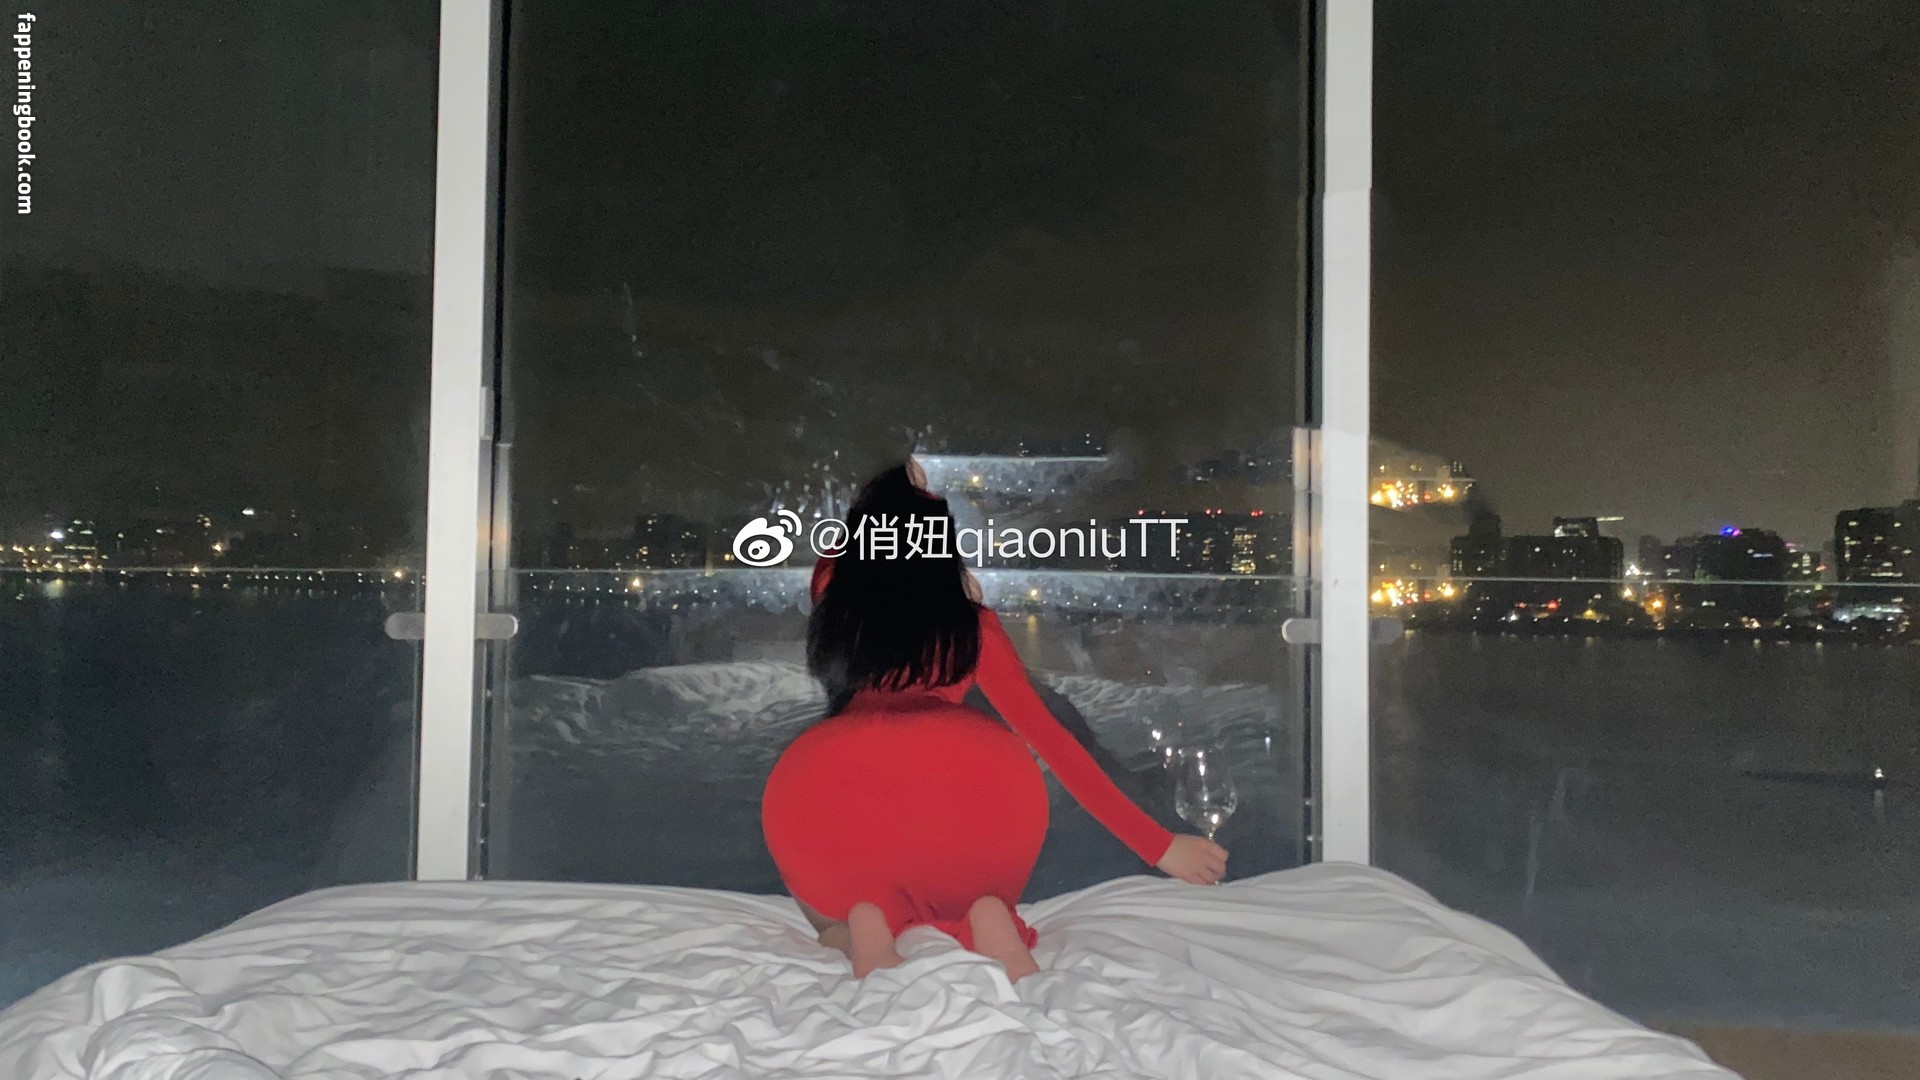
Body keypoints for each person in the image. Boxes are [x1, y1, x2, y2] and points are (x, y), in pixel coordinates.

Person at [761, 462, 1228, 982]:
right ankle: (985, 913)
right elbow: (1054, 741)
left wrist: (883, 503)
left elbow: (836, 567)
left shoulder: (839, 610)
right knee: (968, 876)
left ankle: (861, 927)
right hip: (972, 792)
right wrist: (1161, 847)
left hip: (831, 777)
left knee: (828, 905)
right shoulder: (969, 626)